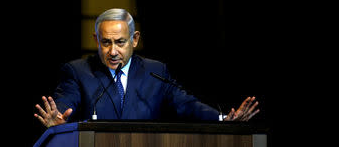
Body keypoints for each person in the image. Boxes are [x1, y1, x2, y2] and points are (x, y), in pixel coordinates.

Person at [34, 8, 259, 128]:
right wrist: (58, 120)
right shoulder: (78, 71)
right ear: (96, 40)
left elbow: (185, 104)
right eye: (106, 42)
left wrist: (223, 120)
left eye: (120, 42)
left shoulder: (155, 72)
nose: (112, 51)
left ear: (134, 40)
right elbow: (65, 104)